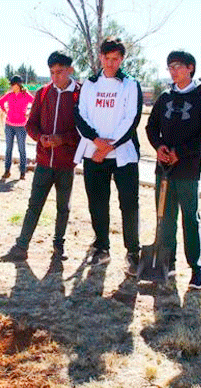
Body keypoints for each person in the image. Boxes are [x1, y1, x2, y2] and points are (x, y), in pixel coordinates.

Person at [145, 50, 201, 289]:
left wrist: (181, 152)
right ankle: (167, 263)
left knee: (190, 219)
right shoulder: (165, 97)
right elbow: (151, 126)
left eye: (178, 66)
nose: (174, 71)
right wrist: (159, 146)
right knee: (165, 218)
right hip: (164, 169)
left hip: (187, 170)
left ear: (190, 67)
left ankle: (196, 269)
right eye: (170, 67)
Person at [0, 51, 81, 263]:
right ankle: (21, 246)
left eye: (60, 72)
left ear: (70, 70)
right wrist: (41, 138)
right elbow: (30, 124)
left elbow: (84, 131)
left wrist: (62, 139)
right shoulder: (43, 93)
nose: (56, 77)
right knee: (34, 205)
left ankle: (58, 245)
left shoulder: (80, 94)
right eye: (52, 72)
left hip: (66, 164)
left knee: (63, 207)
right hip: (44, 162)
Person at [74, 37, 143, 272]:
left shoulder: (131, 85)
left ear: (122, 59)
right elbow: (80, 116)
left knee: (129, 204)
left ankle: (133, 251)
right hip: (93, 154)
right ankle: (101, 246)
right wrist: (96, 142)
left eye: (116, 59)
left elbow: (131, 118)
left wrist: (109, 146)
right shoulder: (89, 84)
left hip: (122, 154)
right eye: (107, 58)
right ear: (100, 57)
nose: (111, 63)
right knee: (98, 202)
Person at [0, 75, 35, 179]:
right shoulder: (9, 95)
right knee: (8, 149)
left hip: (21, 127)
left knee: (22, 149)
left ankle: (22, 173)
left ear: (18, 84)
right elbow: (0, 101)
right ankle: (7, 171)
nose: (11, 86)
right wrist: (5, 110)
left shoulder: (25, 95)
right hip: (9, 126)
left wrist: (29, 112)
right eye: (11, 84)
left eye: (13, 84)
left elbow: (36, 103)